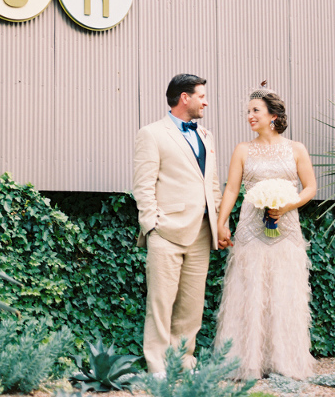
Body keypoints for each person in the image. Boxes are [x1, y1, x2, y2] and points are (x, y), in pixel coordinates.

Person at [215, 87, 317, 380]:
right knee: (250, 292)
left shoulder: (296, 149)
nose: (249, 116)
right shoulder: (242, 150)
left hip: (286, 230)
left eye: (255, 111)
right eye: (248, 111)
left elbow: (310, 187)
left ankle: (285, 361)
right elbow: (232, 189)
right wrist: (222, 223)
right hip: (250, 229)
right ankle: (247, 362)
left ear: (273, 116)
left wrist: (288, 205)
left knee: (284, 292)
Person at [133, 74, 223, 375]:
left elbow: (211, 183)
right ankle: (157, 367)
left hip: (202, 232)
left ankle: (184, 363)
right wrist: (152, 225)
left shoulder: (207, 136)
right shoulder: (152, 134)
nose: (206, 101)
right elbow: (143, 186)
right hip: (166, 232)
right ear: (184, 97)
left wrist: (219, 223)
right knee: (160, 303)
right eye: (201, 96)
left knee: (191, 306)